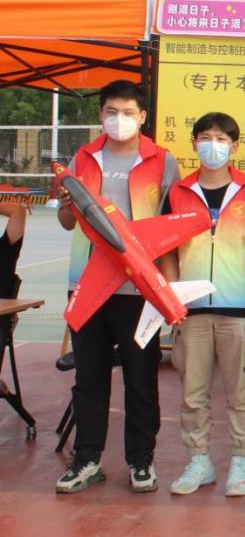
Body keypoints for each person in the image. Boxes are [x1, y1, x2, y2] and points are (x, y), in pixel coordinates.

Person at [55, 80, 180, 494]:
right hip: (87, 285)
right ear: (100, 114)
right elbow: (68, 222)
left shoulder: (162, 161)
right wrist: (66, 205)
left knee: (141, 378)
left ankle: (141, 461)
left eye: (127, 113)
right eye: (111, 112)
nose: (118, 119)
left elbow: (170, 227)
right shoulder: (83, 157)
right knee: (88, 377)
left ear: (142, 117)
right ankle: (87, 459)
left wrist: (165, 288)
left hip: (139, 290)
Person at [159, 113, 245, 497]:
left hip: (238, 309)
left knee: (240, 392)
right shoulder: (178, 191)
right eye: (205, 137)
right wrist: (173, 295)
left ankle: (241, 462)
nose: (213, 145)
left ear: (235, 146)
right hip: (191, 310)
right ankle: (199, 461)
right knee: (192, 392)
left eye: (221, 139)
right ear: (194, 143)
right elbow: (167, 249)